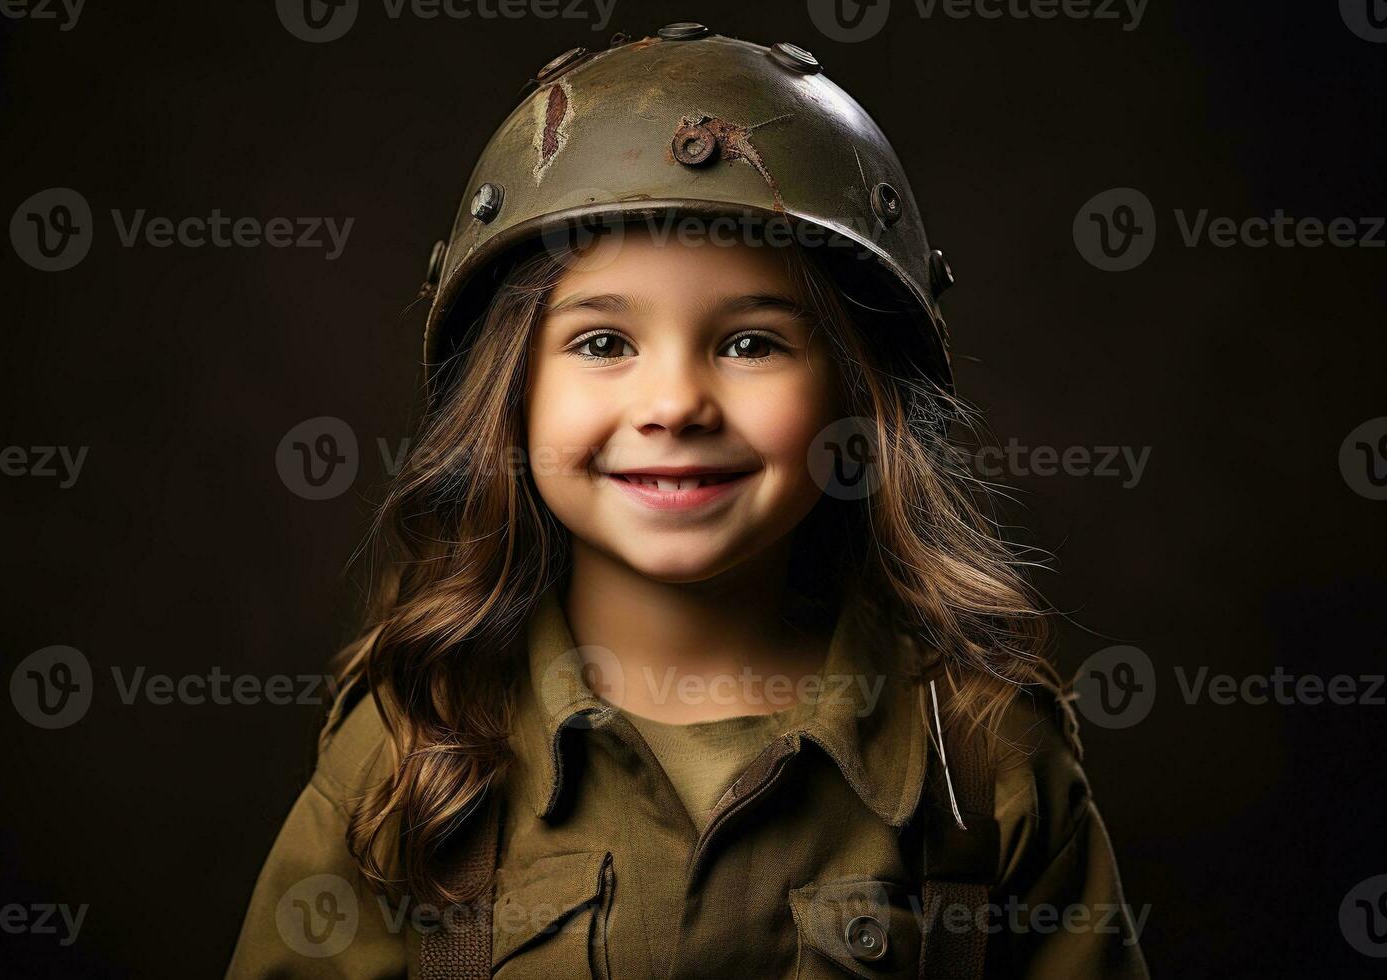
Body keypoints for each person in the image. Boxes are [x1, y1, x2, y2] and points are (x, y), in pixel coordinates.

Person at [227, 24, 1149, 979]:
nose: (674, 405)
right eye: (601, 343)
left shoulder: (985, 761)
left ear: (855, 394)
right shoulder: (417, 742)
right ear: (510, 391)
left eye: (752, 343)